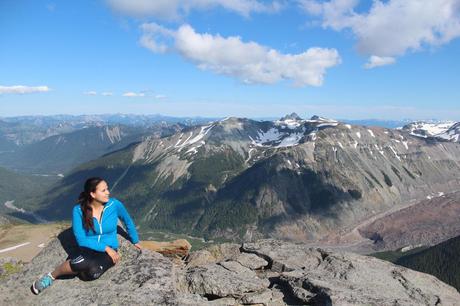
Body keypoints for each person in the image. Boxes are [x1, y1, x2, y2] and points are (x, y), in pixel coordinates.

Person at [31, 177, 141, 294]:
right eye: (103, 190)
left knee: (92, 274)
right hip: (89, 248)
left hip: (109, 250)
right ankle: (51, 276)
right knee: (80, 264)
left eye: (107, 189)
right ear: (93, 194)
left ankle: (79, 268)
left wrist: (135, 240)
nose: (108, 192)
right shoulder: (78, 210)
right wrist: (106, 248)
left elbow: (127, 220)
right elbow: (82, 240)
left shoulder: (114, 205)